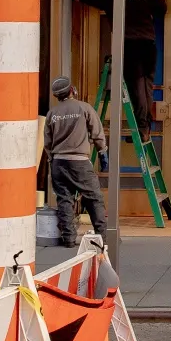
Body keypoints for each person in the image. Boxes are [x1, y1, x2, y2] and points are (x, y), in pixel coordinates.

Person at [45, 75, 109, 248]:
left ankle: (68, 239)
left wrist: (52, 160)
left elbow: (47, 143)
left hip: (58, 162)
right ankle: (101, 237)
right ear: (72, 90)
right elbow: (97, 132)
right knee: (93, 197)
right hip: (79, 162)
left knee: (64, 199)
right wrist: (102, 151)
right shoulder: (84, 108)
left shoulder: (52, 114)